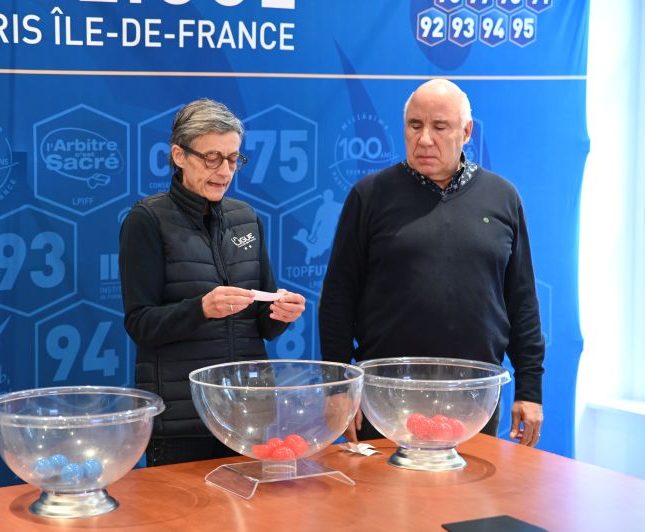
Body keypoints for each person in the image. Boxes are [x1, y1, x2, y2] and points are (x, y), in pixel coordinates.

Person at [319, 79, 545, 447]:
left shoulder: (502, 197)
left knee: (471, 487)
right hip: (386, 397)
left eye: (440, 126)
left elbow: (522, 301)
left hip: (474, 398)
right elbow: (337, 299)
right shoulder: (369, 196)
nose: (424, 139)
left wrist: (530, 390)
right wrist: (339, 388)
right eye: (415, 125)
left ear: (466, 132)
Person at [119, 98, 306, 466]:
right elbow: (140, 324)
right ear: (179, 155)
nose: (225, 171)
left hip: (249, 414)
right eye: (212, 158)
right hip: (182, 422)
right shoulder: (147, 220)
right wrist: (201, 308)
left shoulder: (246, 217)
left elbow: (264, 327)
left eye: (233, 159)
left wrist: (281, 314)